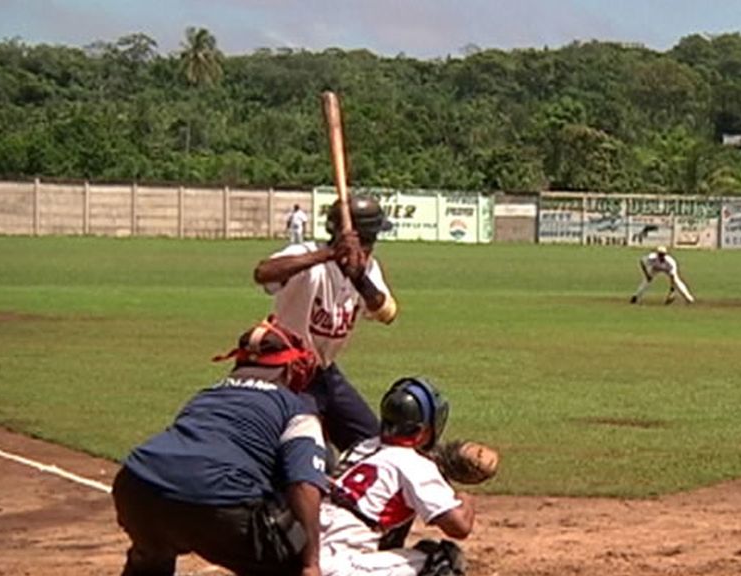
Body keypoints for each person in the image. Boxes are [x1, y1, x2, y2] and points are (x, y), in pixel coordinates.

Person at [112, 317, 329, 576]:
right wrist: (309, 563)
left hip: (136, 485)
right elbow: (303, 483)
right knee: (290, 558)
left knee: (154, 548)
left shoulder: (207, 395)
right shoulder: (296, 409)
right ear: (290, 368)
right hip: (217, 500)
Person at [253, 195, 397, 453]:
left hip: (324, 372)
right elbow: (263, 273)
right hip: (288, 373)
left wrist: (359, 279)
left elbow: (386, 312)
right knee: (311, 452)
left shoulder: (366, 267)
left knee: (375, 444)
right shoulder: (306, 255)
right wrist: (329, 254)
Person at [320, 376, 475, 576]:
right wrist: (465, 498)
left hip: (305, 558)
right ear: (423, 431)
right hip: (341, 567)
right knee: (443, 559)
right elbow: (460, 526)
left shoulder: (361, 448)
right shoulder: (413, 464)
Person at [629, 245, 696, 305]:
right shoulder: (651, 257)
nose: (661, 256)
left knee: (677, 281)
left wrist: (672, 290)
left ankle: (689, 299)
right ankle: (635, 297)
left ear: (665, 254)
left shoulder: (670, 262)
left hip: (667, 269)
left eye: (663, 254)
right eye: (660, 254)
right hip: (655, 268)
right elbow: (642, 262)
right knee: (646, 281)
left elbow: (672, 276)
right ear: (657, 254)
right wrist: (647, 275)